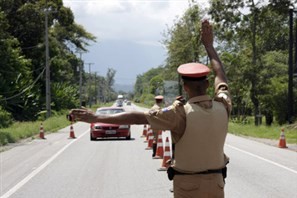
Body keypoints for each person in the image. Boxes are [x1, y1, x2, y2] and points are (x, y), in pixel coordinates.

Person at [69, 19, 232, 198]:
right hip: (217, 185)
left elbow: (137, 118)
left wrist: (96, 118)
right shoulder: (223, 105)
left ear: (185, 87)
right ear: (207, 84)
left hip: (188, 187)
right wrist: (209, 46)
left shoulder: (180, 113)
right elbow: (221, 76)